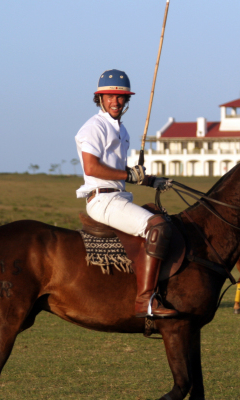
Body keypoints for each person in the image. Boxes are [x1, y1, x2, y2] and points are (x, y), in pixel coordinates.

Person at [75, 69, 178, 318]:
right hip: (102, 198)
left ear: (127, 101)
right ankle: (145, 301)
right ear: (99, 98)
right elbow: (92, 167)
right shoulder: (93, 128)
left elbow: (118, 170)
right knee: (158, 228)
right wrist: (130, 175)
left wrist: (150, 180)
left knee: (161, 218)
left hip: (118, 196)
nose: (115, 101)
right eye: (109, 96)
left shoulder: (122, 132)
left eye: (121, 97)